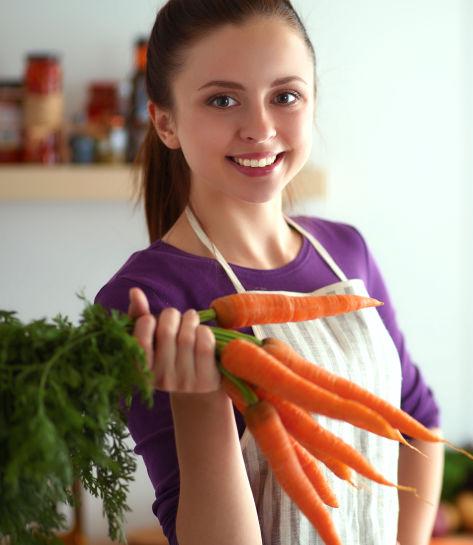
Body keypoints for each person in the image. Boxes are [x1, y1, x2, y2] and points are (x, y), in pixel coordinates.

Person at [94, 1, 444, 544]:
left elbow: (419, 422)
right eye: (223, 100)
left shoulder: (347, 251)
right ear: (165, 121)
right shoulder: (146, 301)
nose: (260, 128)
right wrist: (200, 404)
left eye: (285, 96)